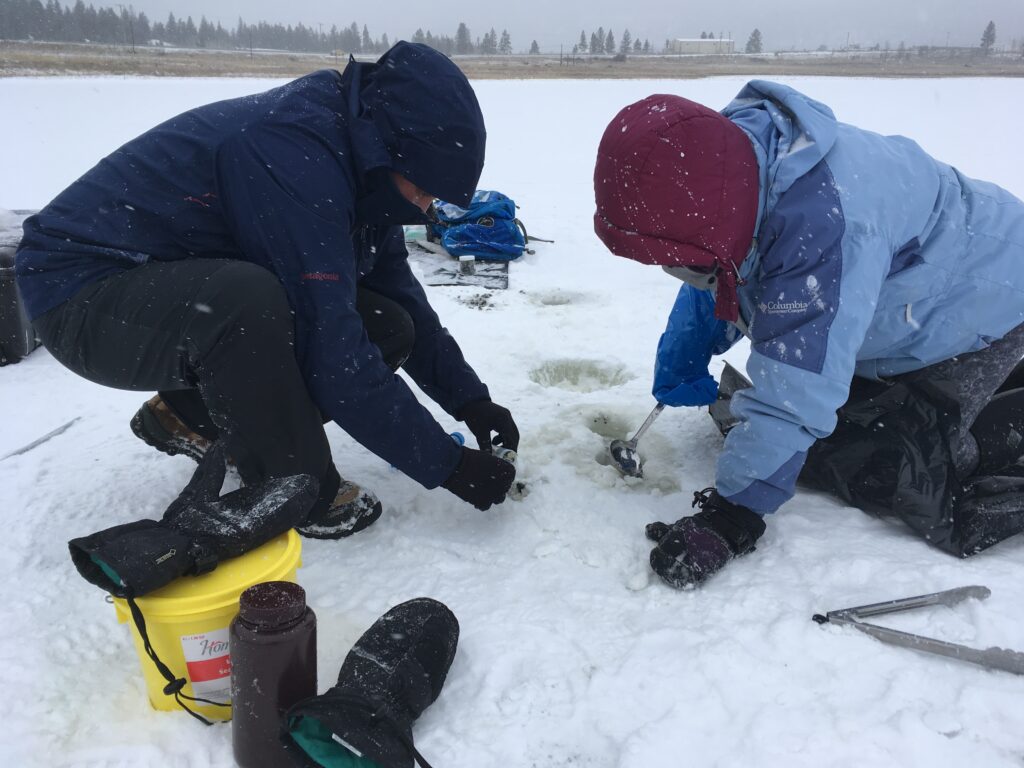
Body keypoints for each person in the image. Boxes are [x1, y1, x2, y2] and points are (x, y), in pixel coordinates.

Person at [16, 42, 520, 539]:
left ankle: (187, 416)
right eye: (424, 186)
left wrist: (470, 401)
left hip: (167, 292)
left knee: (389, 325)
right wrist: (447, 464)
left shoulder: (366, 168)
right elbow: (330, 343)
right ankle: (293, 484)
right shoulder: (294, 156)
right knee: (249, 302)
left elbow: (400, 296)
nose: (427, 205)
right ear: (393, 148)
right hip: (80, 296)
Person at [593, 80, 1024, 588]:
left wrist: (733, 515)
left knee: (888, 464)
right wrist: (685, 350)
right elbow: (726, 268)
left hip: (993, 301)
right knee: (821, 429)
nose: (674, 269)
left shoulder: (825, 227)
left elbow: (800, 382)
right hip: (905, 297)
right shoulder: (735, 169)